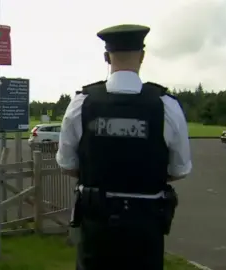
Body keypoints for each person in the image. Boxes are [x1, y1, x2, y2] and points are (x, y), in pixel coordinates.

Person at [56, 24, 192, 270]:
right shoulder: (166, 106)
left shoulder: (81, 105)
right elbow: (179, 169)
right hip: (145, 227)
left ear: (106, 57)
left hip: (96, 226)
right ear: (142, 55)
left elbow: (67, 165)